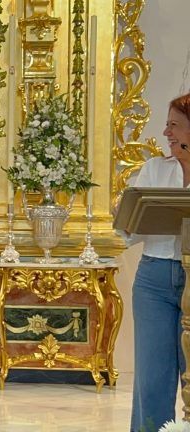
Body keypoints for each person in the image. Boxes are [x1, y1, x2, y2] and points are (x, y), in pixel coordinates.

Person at [122, 93, 190, 431]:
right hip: (154, 279)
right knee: (152, 381)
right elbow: (127, 231)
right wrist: (127, 215)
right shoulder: (153, 169)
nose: (166, 133)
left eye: (174, 125)